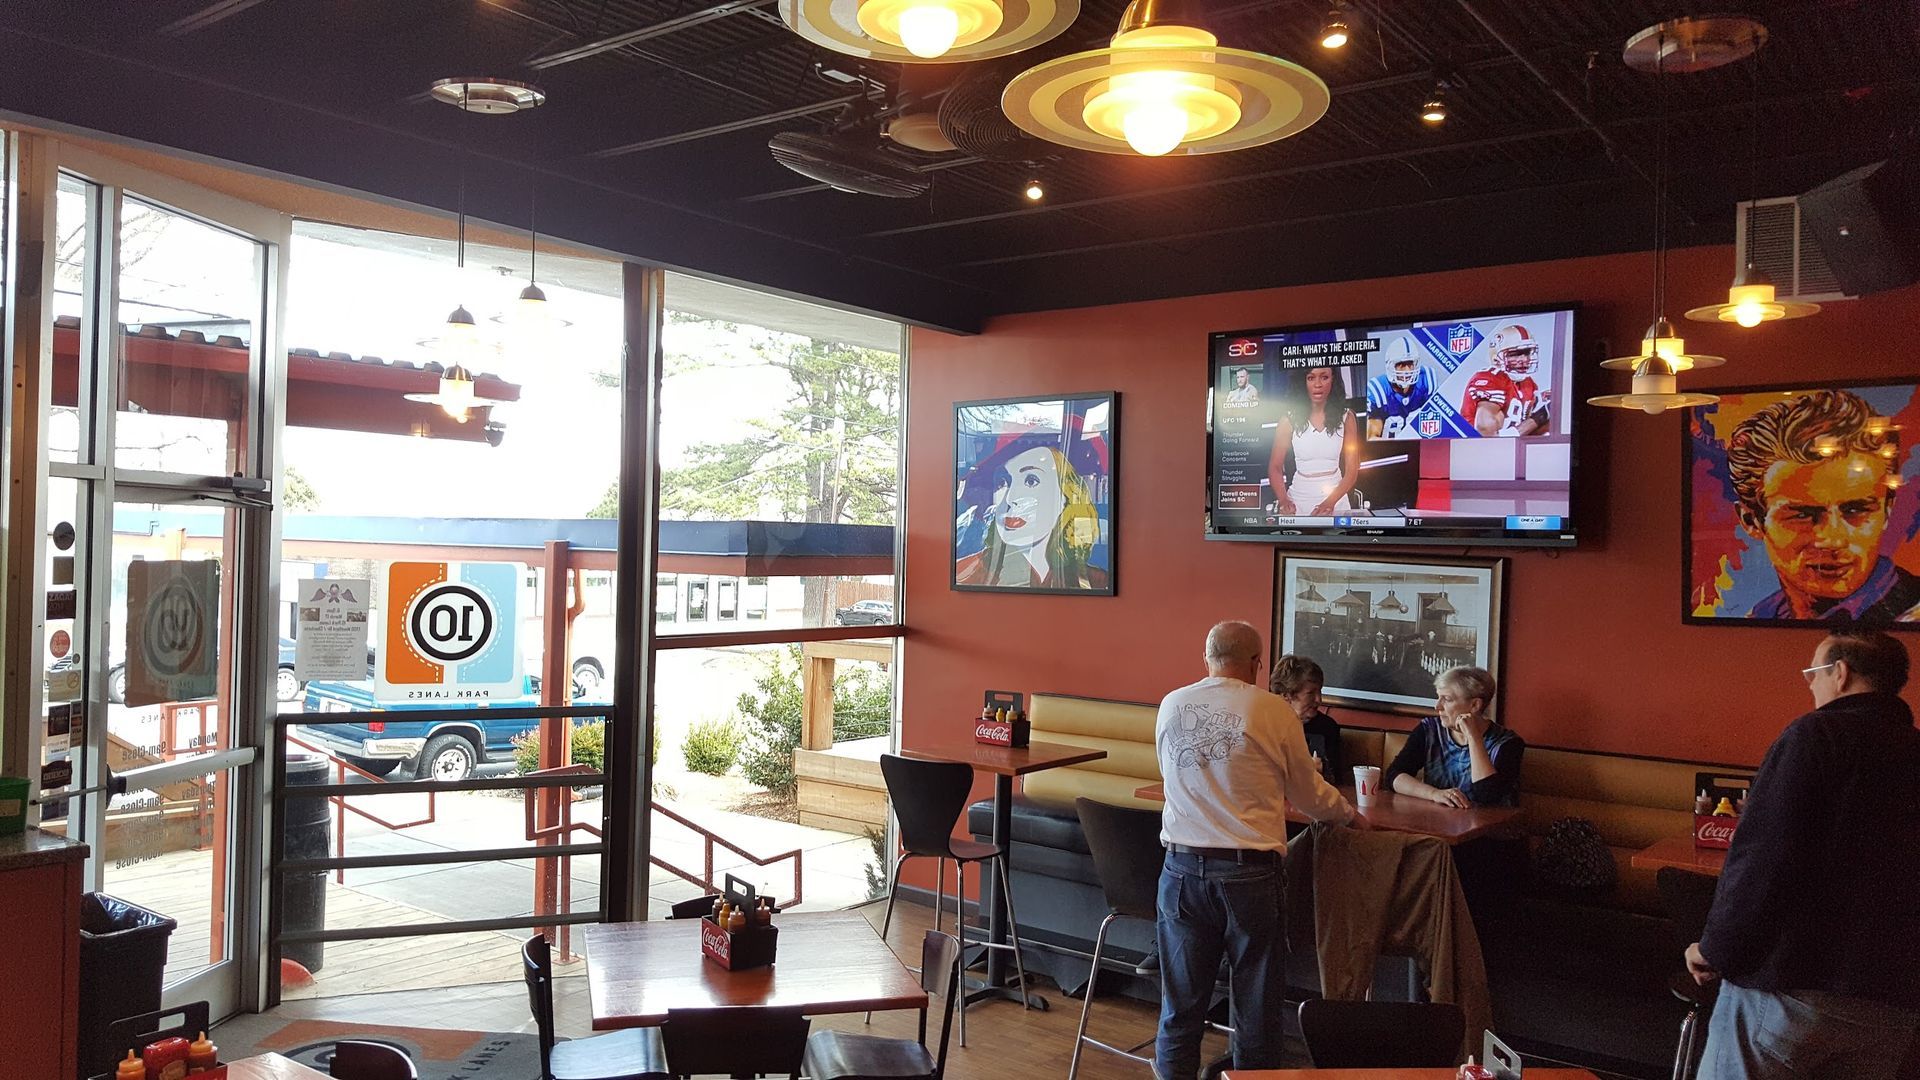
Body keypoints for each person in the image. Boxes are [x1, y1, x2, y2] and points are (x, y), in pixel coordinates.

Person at [1686, 631, 1920, 1079]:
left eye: (1812, 674)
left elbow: (1762, 860)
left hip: (1791, 992)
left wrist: (1716, 949)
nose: (1811, 686)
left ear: (1841, 672)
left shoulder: (1815, 735)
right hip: (1893, 1006)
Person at [1155, 621, 1358, 1080]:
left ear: (1205, 657)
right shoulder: (1271, 711)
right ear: (1255, 662)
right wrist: (1347, 813)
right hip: (1248, 876)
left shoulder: (1172, 704)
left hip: (1181, 871)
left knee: (1179, 1010)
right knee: (1255, 1012)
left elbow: (1172, 775)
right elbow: (1309, 794)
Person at [1723, 389, 1919, 622]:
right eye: (1803, 515)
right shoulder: (1758, 617)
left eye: (1855, 511)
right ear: (1751, 521)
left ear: (1887, 510)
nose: (1832, 539)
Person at [954, 445, 1108, 590]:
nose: (1009, 499)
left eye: (1031, 481)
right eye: (1002, 482)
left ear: (1067, 497)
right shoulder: (965, 575)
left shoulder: (1097, 582)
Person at [1384, 665, 1525, 808]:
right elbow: (1394, 775)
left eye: (1447, 699)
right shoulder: (1429, 730)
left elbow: (1486, 796)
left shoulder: (1507, 743)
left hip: (1488, 826)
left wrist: (1473, 737)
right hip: (1437, 822)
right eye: (1438, 697)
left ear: (1475, 705)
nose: (1437, 706)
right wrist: (1434, 794)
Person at [1266, 364, 1363, 516]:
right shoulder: (1288, 420)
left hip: (1336, 500)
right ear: (1303, 382)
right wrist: (1284, 501)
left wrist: (1330, 502)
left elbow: (1352, 471)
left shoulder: (1347, 417)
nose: (1318, 384)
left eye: (1324, 377)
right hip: (1298, 501)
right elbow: (1275, 467)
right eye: (1311, 378)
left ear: (1333, 380)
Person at [1463, 324, 1552, 437]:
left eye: (1527, 352)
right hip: (1474, 449)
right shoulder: (1490, 378)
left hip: (1510, 450)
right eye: (1515, 354)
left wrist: (1549, 411)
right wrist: (1540, 416)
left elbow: (1528, 432)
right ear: (1496, 359)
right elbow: (1486, 433)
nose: (1524, 359)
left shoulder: (1529, 384)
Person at [1270, 653, 1344, 783]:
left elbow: (1336, 776)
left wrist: (1323, 768)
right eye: (1310, 693)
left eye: (1320, 691)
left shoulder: (1327, 727)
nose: (1319, 700)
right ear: (1287, 695)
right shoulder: (1267, 725)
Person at [1366, 336, 1440, 439]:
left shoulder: (1426, 382)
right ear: (1391, 366)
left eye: (1410, 364)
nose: (1407, 370)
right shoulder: (1379, 391)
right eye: (1401, 364)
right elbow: (1372, 437)